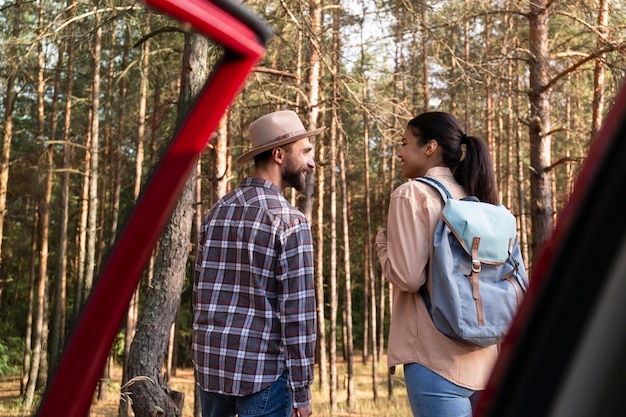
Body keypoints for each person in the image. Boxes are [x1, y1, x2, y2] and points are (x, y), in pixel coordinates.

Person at [192, 110, 324, 417]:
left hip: (210, 370)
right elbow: (298, 314)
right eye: (305, 152)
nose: (311, 163)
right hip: (262, 377)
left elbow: (200, 294)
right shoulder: (290, 222)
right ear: (279, 154)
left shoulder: (216, 212)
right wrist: (301, 393)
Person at [375, 111, 500, 417]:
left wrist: (382, 243)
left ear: (429, 147)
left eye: (405, 143)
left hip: (435, 360)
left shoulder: (411, 194)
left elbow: (407, 278)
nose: (400, 152)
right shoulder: (476, 198)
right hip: (485, 358)